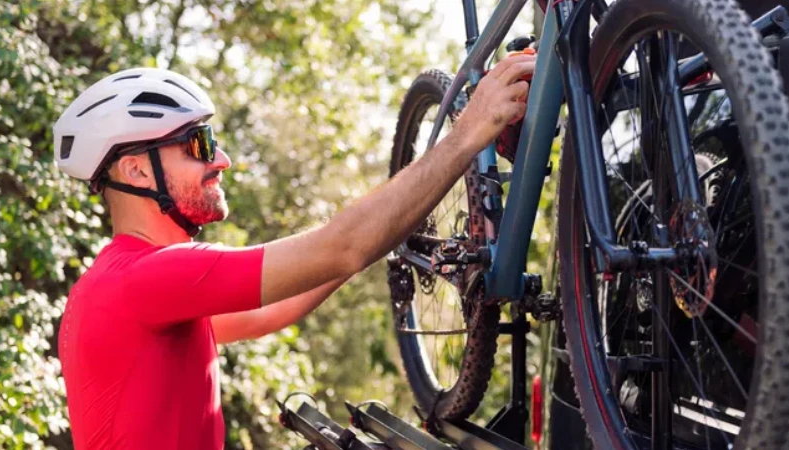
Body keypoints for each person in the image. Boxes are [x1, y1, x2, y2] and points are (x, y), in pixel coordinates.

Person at [52, 56, 534, 450]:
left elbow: (277, 304)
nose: (221, 160)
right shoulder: (145, 279)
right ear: (136, 171)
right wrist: (473, 129)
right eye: (197, 144)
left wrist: (390, 230)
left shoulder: (126, 290)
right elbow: (342, 247)